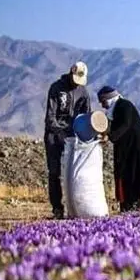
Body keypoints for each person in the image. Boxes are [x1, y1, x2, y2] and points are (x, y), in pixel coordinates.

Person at [43, 61, 91, 219]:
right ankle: (57, 208)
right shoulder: (56, 88)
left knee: (76, 173)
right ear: (71, 73)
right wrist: (60, 133)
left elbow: (86, 116)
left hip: (74, 137)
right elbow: (50, 117)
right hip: (54, 136)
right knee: (55, 172)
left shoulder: (83, 92)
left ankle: (76, 207)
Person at [97, 86, 140, 212]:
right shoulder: (117, 108)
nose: (103, 106)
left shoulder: (124, 106)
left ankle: (134, 205)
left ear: (109, 99)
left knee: (134, 176)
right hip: (126, 148)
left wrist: (110, 137)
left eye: (103, 102)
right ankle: (127, 205)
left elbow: (125, 124)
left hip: (134, 148)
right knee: (125, 176)